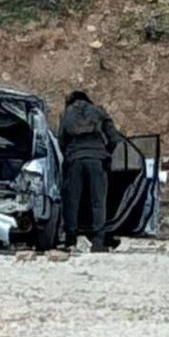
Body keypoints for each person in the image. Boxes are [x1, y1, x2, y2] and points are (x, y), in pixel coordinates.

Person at [58, 90, 120, 252]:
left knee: (72, 201)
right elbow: (114, 138)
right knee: (98, 201)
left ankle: (70, 240)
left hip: (75, 159)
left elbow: (61, 140)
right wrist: (106, 153)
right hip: (96, 159)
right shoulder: (99, 111)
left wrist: (68, 156)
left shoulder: (67, 114)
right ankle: (98, 241)